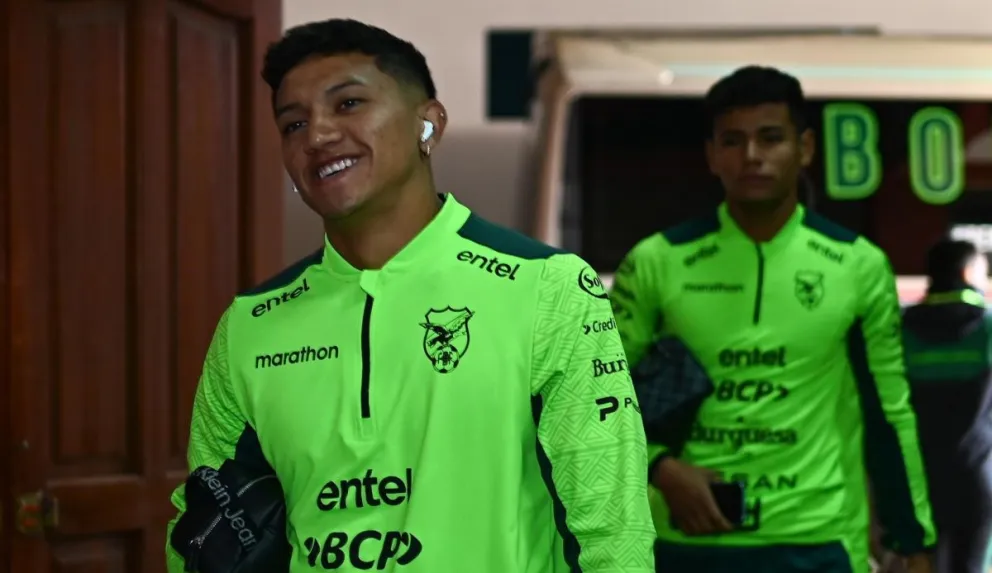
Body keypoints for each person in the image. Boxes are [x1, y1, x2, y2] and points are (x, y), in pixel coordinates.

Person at [163, 18, 656, 573]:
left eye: (348, 104)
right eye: (293, 123)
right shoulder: (250, 326)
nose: (317, 135)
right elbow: (202, 530)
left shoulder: (549, 287)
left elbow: (614, 528)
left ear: (429, 125)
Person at [609, 65, 936, 573]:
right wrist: (662, 469)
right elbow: (596, 398)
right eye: (732, 141)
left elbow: (889, 411)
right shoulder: (656, 261)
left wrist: (912, 540)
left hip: (817, 542)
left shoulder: (858, 265)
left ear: (804, 148)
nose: (752, 156)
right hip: (685, 541)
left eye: (770, 138)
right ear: (712, 155)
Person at [902, 239, 992, 573]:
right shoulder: (988, 326)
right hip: (976, 476)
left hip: (915, 480)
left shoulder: (897, 329)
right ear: (968, 273)